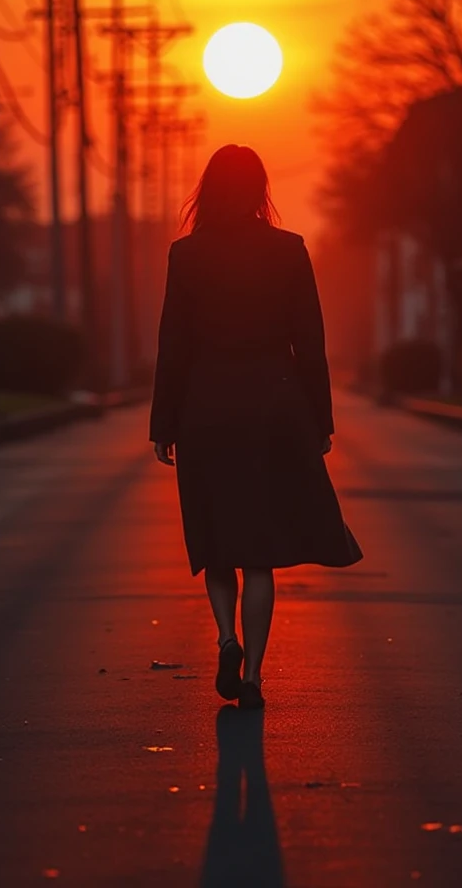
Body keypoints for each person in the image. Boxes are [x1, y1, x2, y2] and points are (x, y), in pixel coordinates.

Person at [150, 144, 362, 710]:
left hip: (206, 411)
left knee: (217, 541)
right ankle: (255, 677)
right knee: (258, 552)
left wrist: (162, 423)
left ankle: (225, 638)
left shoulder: (186, 255)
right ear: (260, 189)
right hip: (273, 409)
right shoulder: (288, 251)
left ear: (208, 190)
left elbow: (173, 346)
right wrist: (321, 419)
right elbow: (310, 344)